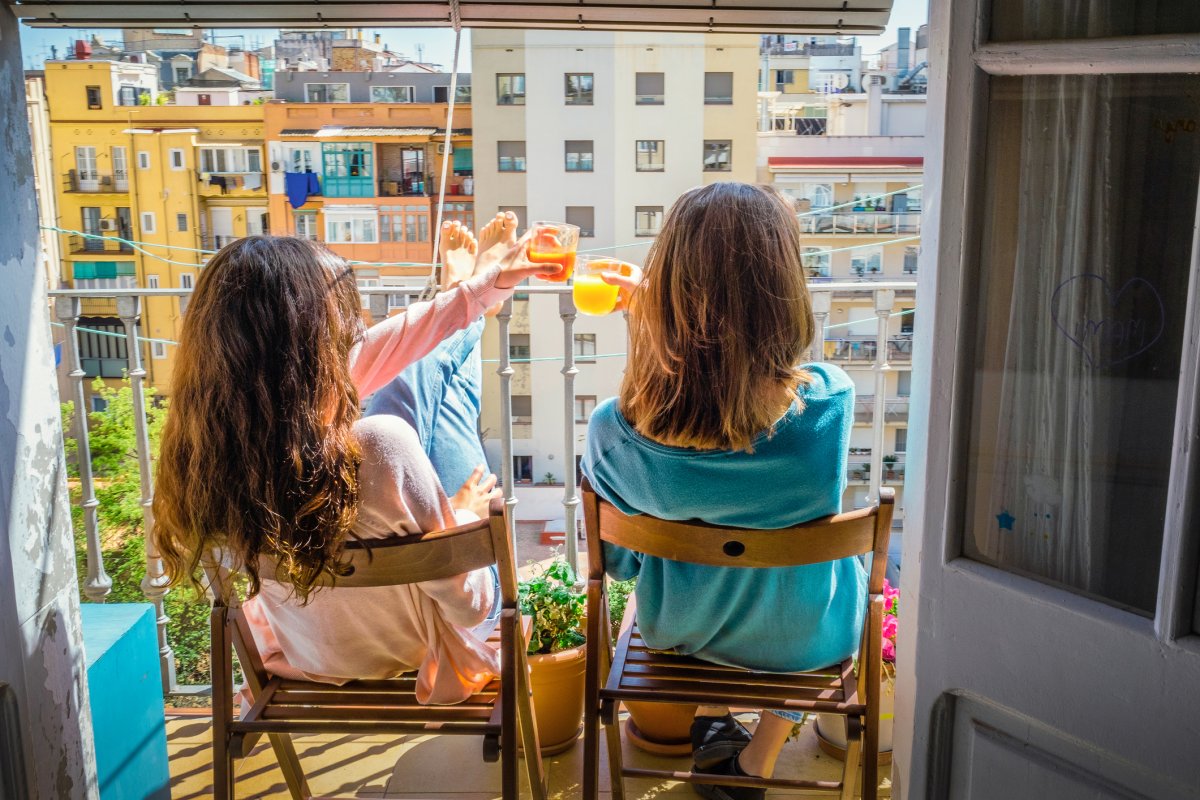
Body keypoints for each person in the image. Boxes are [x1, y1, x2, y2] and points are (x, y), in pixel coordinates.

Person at [154, 217, 552, 705]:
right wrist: (463, 515)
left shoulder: (202, 462)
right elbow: (472, 607)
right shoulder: (381, 447)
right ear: (317, 353)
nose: (357, 334)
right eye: (344, 330)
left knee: (411, 378)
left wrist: (480, 288)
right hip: (424, 643)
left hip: (310, 650)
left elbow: (382, 352)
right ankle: (464, 308)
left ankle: (460, 296)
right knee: (418, 392)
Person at [582, 182, 863, 800]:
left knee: (706, 579)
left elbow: (623, 565)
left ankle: (713, 719)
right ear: (785, 290)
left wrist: (651, 326)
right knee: (819, 574)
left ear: (667, 293)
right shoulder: (831, 403)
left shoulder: (614, 433)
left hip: (682, 631)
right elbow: (761, 390)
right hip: (810, 637)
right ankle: (756, 760)